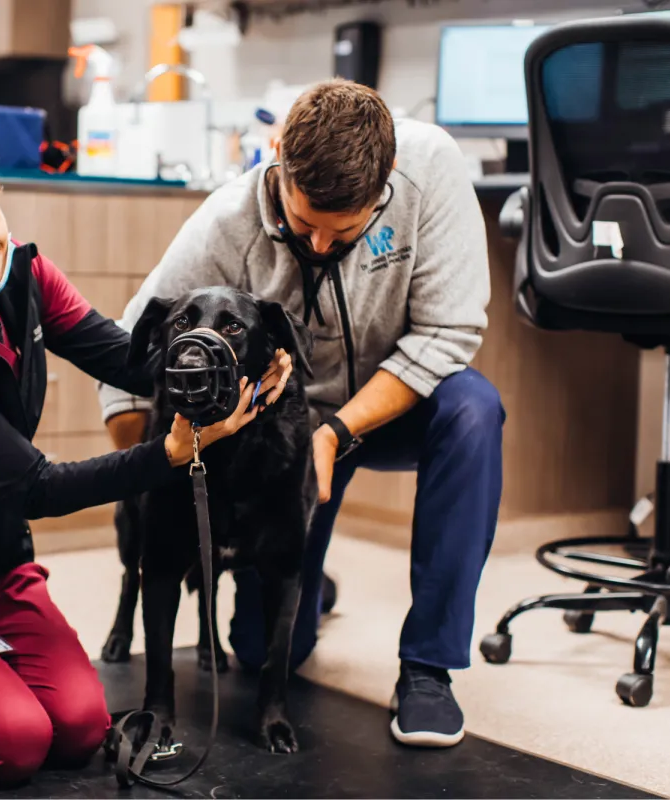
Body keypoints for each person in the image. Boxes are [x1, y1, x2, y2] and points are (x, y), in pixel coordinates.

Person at [0, 121, 292, 785]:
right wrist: (173, 453)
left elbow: (128, 360)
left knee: (79, 729)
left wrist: (226, 362)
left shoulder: (25, 277)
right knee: (13, 742)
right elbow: (37, 489)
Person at [98, 79, 504, 749]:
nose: (316, 245)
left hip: (389, 405)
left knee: (474, 410)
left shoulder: (431, 167)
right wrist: (154, 476)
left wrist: (337, 431)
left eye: (341, 231)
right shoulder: (226, 221)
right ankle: (312, 583)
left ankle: (429, 670)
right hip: (275, 432)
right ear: (277, 155)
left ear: (388, 177)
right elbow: (133, 355)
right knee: (262, 652)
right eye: (302, 220)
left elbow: (450, 334)